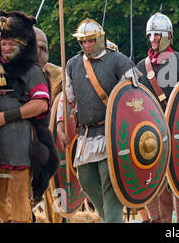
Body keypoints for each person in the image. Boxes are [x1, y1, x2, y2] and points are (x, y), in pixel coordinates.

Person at [56, 18, 136, 223]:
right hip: (86, 135)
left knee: (109, 182)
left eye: (91, 40)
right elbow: (67, 100)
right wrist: (60, 125)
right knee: (87, 181)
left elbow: (134, 95)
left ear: (100, 39)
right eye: (83, 41)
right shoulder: (73, 64)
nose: (87, 45)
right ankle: (111, 219)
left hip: (113, 134)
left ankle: (112, 220)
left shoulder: (118, 60)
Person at [0, 11, 57, 223]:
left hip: (19, 149)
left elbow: (40, 104)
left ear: (24, 44)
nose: (6, 48)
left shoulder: (31, 72)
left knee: (19, 204)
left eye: (12, 44)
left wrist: (6, 116)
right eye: (3, 43)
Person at [135, 12, 179, 223]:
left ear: (169, 35)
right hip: (150, 135)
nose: (154, 39)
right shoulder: (140, 68)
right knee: (155, 183)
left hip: (178, 132)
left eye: (158, 35)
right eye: (151, 35)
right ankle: (158, 220)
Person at [34, 27, 64, 223]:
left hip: (52, 139)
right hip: (27, 139)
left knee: (56, 192)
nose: (37, 52)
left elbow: (64, 106)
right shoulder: (19, 72)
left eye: (40, 47)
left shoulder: (58, 74)